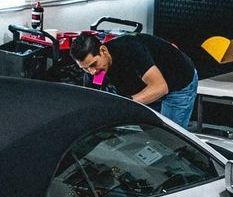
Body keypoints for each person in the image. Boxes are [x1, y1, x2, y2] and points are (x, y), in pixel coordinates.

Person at [71, 29, 199, 129]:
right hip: (144, 84)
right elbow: (92, 100)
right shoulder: (94, 71)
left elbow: (160, 88)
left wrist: (122, 105)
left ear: (103, 50)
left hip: (177, 83)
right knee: (151, 133)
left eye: (94, 64)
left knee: (170, 136)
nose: (92, 72)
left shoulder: (130, 49)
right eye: (85, 68)